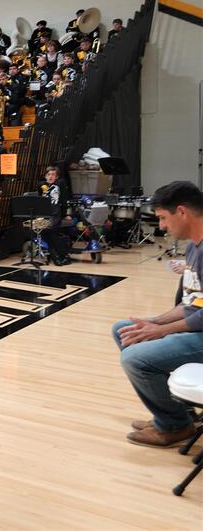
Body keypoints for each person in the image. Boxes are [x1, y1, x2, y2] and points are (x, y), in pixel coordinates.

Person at [112, 180, 203, 447]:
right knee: (123, 329)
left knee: (134, 359)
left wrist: (161, 330)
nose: (161, 226)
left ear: (182, 212)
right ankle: (180, 411)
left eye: (163, 218)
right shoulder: (193, 246)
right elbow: (192, 302)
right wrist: (153, 322)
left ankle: (173, 426)